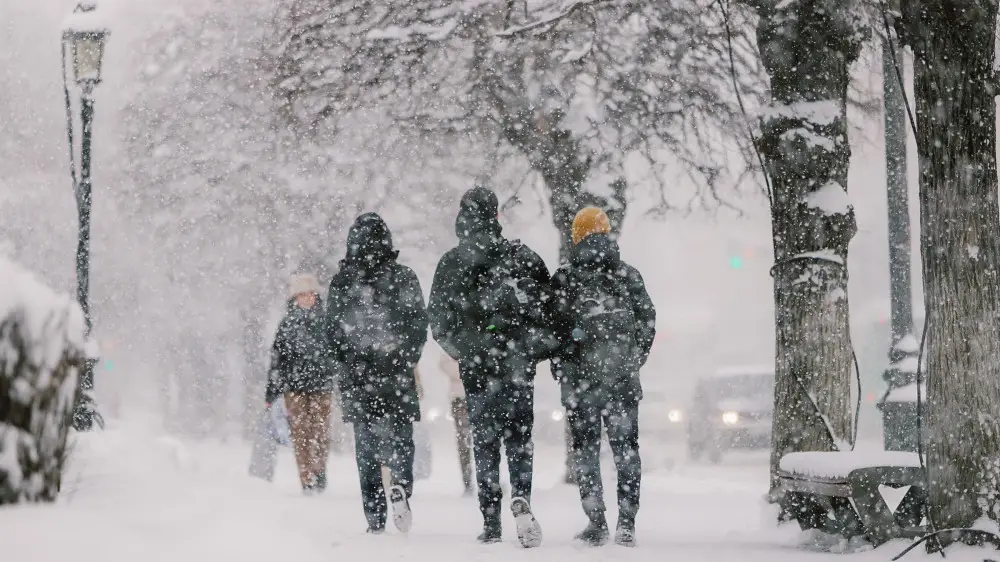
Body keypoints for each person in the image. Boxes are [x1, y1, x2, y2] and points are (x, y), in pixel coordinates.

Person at [427, 186, 554, 547]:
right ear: (496, 216)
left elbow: (439, 321)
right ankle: (521, 496)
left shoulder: (452, 263)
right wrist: (527, 352)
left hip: (478, 370)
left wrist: (468, 351)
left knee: (484, 441)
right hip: (517, 366)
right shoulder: (522, 257)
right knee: (519, 439)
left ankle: (491, 519)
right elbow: (550, 313)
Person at [550, 207, 656, 547]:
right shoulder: (627, 274)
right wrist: (631, 361)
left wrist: (564, 363)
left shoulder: (565, 278)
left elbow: (553, 330)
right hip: (621, 381)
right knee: (626, 450)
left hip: (579, 384)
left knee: (586, 451)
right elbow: (648, 321)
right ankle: (627, 523)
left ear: (576, 235)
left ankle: (596, 522)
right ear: (607, 232)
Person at [327, 213, 428, 535]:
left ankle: (374, 517)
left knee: (367, 447)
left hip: (359, 378)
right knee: (401, 438)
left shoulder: (342, 282)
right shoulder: (404, 277)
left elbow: (333, 332)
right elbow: (418, 323)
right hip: (396, 374)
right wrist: (405, 357)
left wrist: (348, 362)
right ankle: (400, 485)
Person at [264, 273, 337, 494]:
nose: (306, 298)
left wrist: (333, 373)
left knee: (320, 431)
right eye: (302, 294)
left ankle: (319, 469)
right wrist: (271, 392)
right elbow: (277, 359)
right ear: (294, 298)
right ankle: (306, 478)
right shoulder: (287, 325)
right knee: (300, 433)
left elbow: (337, 354)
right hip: (294, 388)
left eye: (310, 294)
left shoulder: (326, 321)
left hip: (321, 386)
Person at [439, 353, 474, 496]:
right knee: (464, 440)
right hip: (460, 397)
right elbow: (444, 364)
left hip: (478, 394)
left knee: (485, 440)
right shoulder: (452, 346)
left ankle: (486, 479)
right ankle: (468, 480)